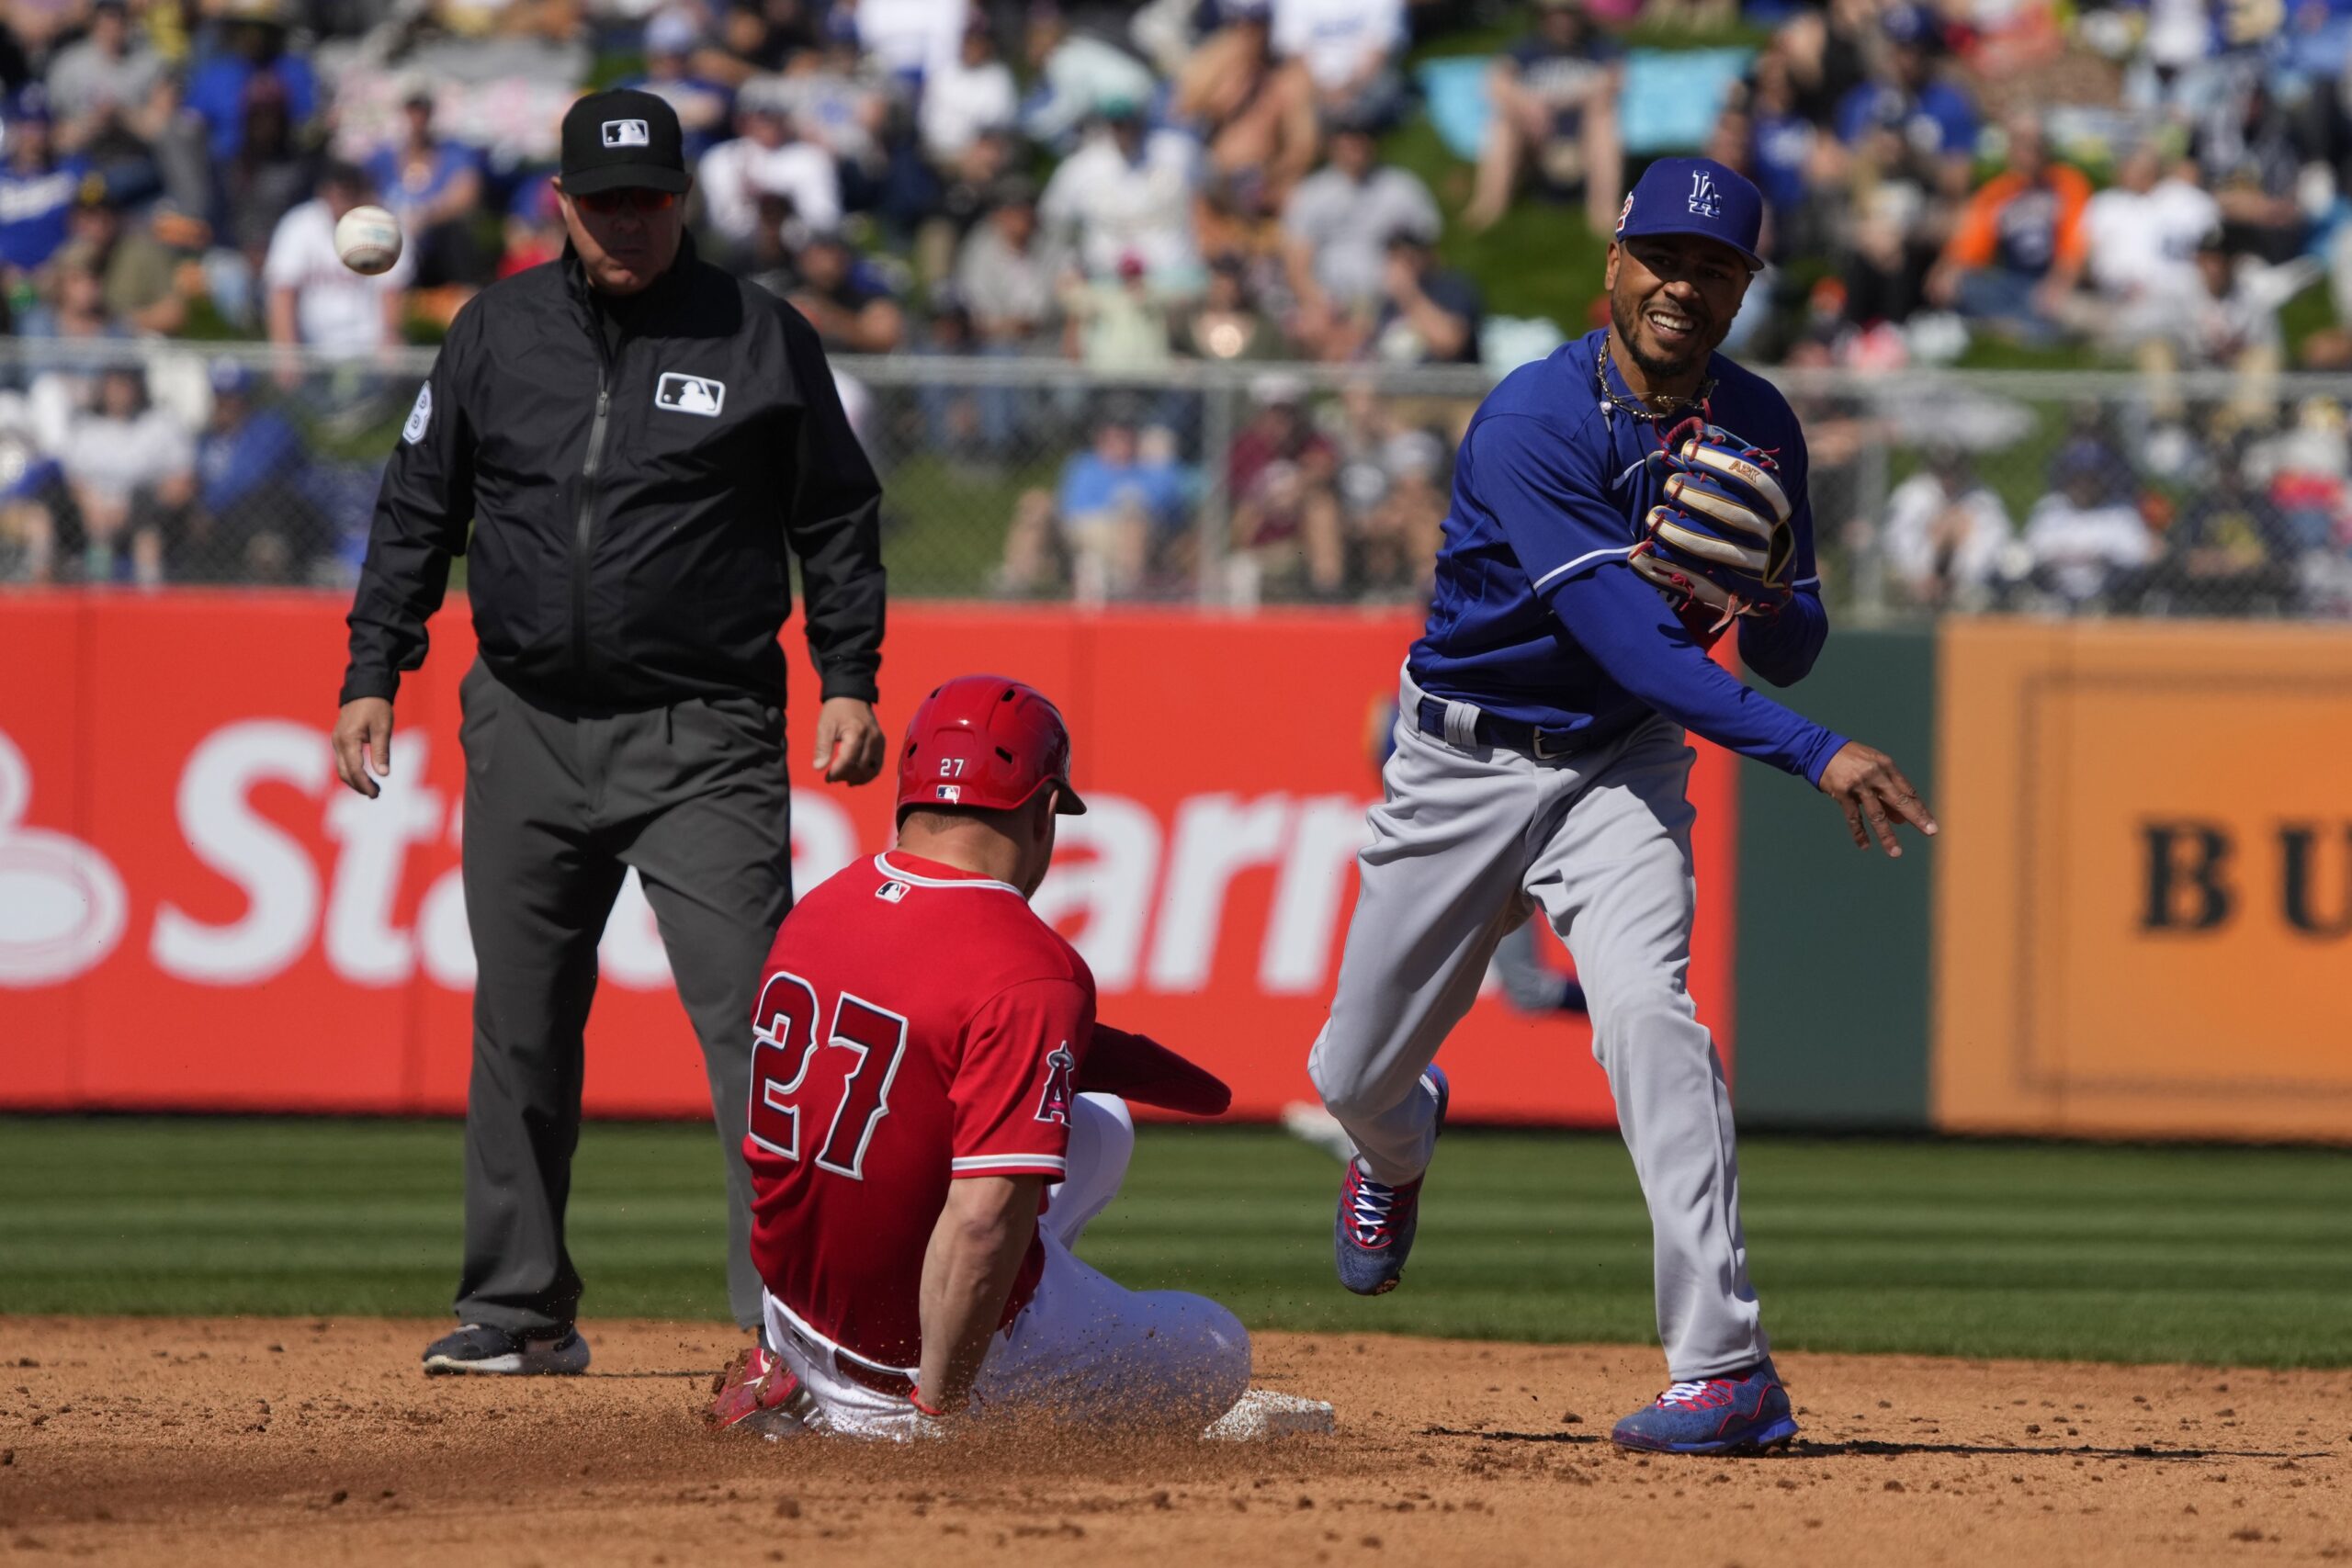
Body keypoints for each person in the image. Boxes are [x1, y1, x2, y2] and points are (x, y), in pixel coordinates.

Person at [1305, 157, 1936, 1456]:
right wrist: (1815, 752)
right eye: (1661, 255)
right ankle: (1398, 1139)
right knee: (1348, 1070)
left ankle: (1726, 1366)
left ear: (1745, 287)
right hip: (1462, 761)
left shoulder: (1760, 422)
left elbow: (1788, 643)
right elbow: (1634, 640)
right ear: (1613, 261)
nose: (1680, 284)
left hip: (1619, 764)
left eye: (1713, 266)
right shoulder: (1534, 418)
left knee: (1652, 1017)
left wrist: (1771, 586)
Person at [331, 89, 888, 1376]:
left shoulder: (758, 334)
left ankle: (790, 1325)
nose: (627, 219)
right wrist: (377, 666)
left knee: (760, 1024)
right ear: (563, 206)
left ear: (680, 198)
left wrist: (847, 675)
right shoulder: (494, 331)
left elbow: (836, 520)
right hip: (523, 719)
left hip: (704, 731)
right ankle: (520, 1309)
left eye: (648, 197)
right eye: (604, 199)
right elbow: (419, 505)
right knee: (521, 1022)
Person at [706, 674, 1250, 1440]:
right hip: (900, 1372)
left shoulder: (821, 905)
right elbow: (983, 1220)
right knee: (1219, 1347)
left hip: (788, 1315)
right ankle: (906, 1415)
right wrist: (937, 1411)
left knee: (1104, 1126)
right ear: (1044, 808)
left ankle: (800, 1381)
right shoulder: (1029, 965)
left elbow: (935, 1030)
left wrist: (1130, 1062)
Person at [1464, 0, 1623, 236]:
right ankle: (1489, 205)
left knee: (1603, 117)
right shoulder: (1527, 49)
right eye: (1554, 13)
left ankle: (1603, 211)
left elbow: (1613, 81)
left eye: (1568, 13)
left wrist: (1559, 102)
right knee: (1504, 122)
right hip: (1538, 148)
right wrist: (1526, 105)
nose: (1562, 21)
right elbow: (1495, 81)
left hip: (1582, 145)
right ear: (1541, 16)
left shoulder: (1599, 48)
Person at [263, 163, 413, 363]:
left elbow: (392, 292)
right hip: (312, 353)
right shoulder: (299, 225)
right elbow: (282, 291)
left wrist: (390, 342)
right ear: (324, 193)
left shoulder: (385, 228)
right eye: (339, 193)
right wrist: (286, 353)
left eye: (351, 194)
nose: (342, 202)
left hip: (368, 354)